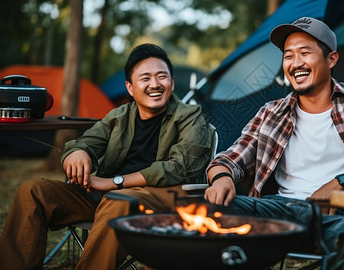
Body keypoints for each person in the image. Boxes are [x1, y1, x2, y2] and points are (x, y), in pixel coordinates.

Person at [204, 17, 344, 269]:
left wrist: (339, 184)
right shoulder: (272, 111)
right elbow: (229, 159)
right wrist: (221, 178)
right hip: (279, 211)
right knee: (205, 211)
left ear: (331, 59)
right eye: (288, 56)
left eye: (304, 53)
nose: (295, 63)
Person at [0, 43, 215, 270]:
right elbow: (85, 143)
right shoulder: (118, 116)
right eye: (145, 78)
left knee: (117, 201)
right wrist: (77, 153)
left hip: (160, 202)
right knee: (32, 191)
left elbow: (181, 168)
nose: (155, 84)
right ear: (130, 88)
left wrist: (114, 183)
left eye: (162, 76)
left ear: (171, 82)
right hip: (102, 200)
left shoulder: (191, 116)